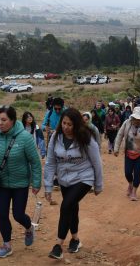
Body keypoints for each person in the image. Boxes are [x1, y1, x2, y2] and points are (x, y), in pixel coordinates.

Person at [44, 108, 103, 260]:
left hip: (84, 177)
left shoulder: (86, 138)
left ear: (76, 125)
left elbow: (97, 162)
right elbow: (50, 162)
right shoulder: (55, 137)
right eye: (64, 123)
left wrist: (98, 184)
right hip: (64, 179)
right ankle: (75, 239)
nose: (66, 127)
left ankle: (58, 245)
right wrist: (48, 186)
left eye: (70, 124)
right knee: (72, 208)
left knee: (66, 205)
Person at [0, 106, 42, 258]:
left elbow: (35, 161)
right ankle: (7, 245)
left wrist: (36, 182)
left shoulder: (24, 137)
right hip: (2, 184)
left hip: (21, 184)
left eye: (4, 120)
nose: (0, 123)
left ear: (12, 120)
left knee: (18, 214)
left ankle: (29, 228)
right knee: (2, 215)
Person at [113, 107, 140, 201]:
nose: (136, 121)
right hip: (129, 153)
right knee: (127, 173)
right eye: (135, 119)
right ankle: (130, 185)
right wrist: (116, 149)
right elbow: (120, 135)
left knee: (137, 173)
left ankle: (134, 193)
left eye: (139, 119)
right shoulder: (127, 123)